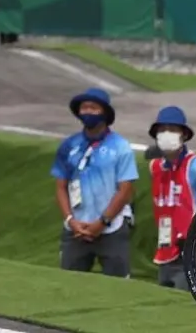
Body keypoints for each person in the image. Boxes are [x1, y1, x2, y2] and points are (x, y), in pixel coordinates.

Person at [52, 87, 138, 278]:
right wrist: (70, 220)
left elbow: (125, 190)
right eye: (84, 108)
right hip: (76, 229)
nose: (88, 112)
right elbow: (60, 186)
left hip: (111, 228)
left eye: (93, 107)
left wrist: (102, 222)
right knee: (69, 284)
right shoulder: (69, 145)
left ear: (105, 113)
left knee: (118, 288)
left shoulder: (120, 146)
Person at [147, 105, 196, 291]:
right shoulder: (157, 169)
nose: (166, 134)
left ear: (184, 135)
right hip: (167, 250)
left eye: (172, 129)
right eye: (162, 130)